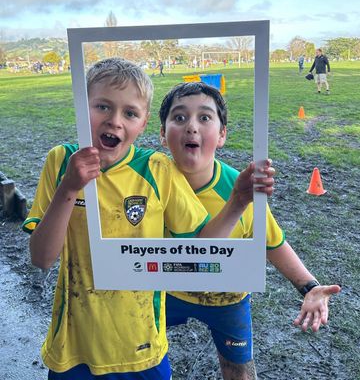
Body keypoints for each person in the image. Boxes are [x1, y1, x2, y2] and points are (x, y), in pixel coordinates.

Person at [22, 58, 274, 380]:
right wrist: (70, 188)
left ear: (142, 125)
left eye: (130, 113)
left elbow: (201, 248)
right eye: (102, 106)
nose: (114, 121)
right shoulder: (61, 161)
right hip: (74, 348)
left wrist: (238, 201)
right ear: (81, 107)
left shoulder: (157, 169)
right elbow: (42, 258)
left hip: (144, 351)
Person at [159, 82, 341, 380]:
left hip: (226, 297)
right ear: (163, 136)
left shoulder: (242, 188)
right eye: (179, 118)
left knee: (239, 371)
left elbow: (272, 242)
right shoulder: (149, 184)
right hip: (166, 292)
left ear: (222, 135)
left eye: (204, 118)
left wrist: (310, 287)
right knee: (138, 355)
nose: (191, 126)